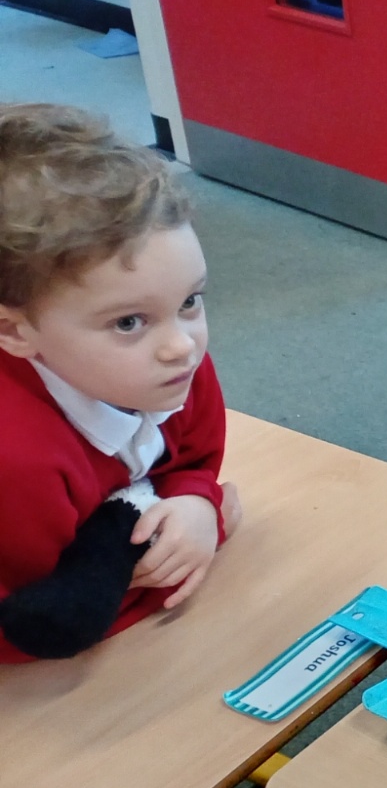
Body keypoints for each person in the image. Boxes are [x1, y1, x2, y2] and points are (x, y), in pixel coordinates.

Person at [0, 103, 237, 662]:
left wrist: (196, 501)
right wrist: (208, 531)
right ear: (14, 331)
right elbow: (43, 620)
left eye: (190, 301)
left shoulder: (172, 368)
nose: (182, 345)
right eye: (129, 322)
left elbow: (193, 462)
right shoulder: (18, 464)